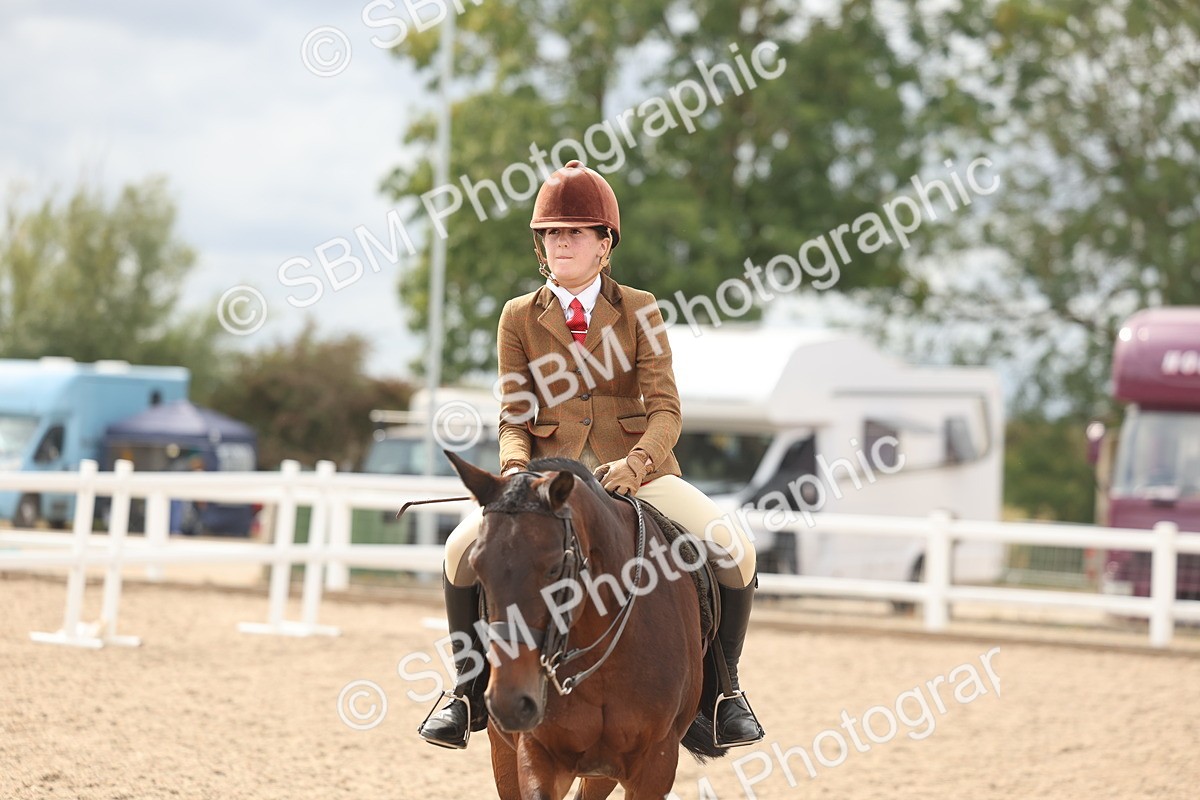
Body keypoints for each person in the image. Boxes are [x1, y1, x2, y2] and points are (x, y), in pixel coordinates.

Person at [417, 160, 764, 750]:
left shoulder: (640, 309)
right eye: (552, 233)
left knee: (736, 550)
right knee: (458, 553)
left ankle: (725, 694)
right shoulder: (518, 316)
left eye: (575, 232)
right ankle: (466, 692)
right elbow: (514, 415)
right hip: (547, 482)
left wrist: (637, 464)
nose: (561, 243)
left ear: (605, 244)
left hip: (636, 474)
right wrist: (515, 472)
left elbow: (665, 410)